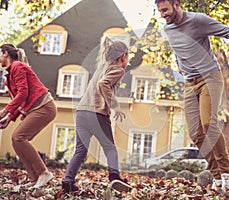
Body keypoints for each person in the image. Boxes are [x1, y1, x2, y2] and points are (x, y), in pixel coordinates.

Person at [155, 0, 229, 195]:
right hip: (190, 83)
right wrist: (179, 64)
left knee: (208, 124)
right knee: (195, 132)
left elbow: (228, 32)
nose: (163, 14)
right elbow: (178, 51)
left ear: (176, 4)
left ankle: (226, 173)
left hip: (210, 77)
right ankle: (216, 176)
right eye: (160, 11)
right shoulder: (168, 30)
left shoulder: (197, 20)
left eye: (165, 10)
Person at [61, 37, 132, 194]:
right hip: (97, 114)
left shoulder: (102, 68)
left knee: (80, 150)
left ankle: (68, 181)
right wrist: (115, 106)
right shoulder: (118, 69)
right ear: (123, 56)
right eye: (128, 56)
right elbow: (103, 84)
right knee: (110, 148)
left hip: (81, 112)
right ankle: (114, 177)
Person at [0, 44, 57, 189]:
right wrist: (10, 117)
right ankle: (33, 178)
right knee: (16, 140)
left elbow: (23, 93)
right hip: (37, 108)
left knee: (19, 137)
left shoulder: (17, 66)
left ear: (5, 53)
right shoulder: (9, 75)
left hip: (45, 106)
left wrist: (5, 111)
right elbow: (22, 100)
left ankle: (44, 173)